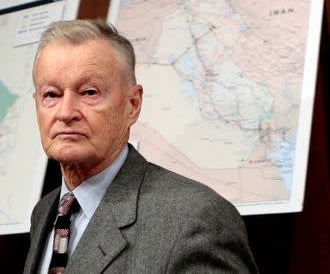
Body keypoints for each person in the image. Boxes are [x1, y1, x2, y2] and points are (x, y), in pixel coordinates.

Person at [23, 19, 258, 273]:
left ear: (132, 105)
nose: (66, 112)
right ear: (37, 106)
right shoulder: (44, 213)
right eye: (52, 95)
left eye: (90, 92)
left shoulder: (196, 218)